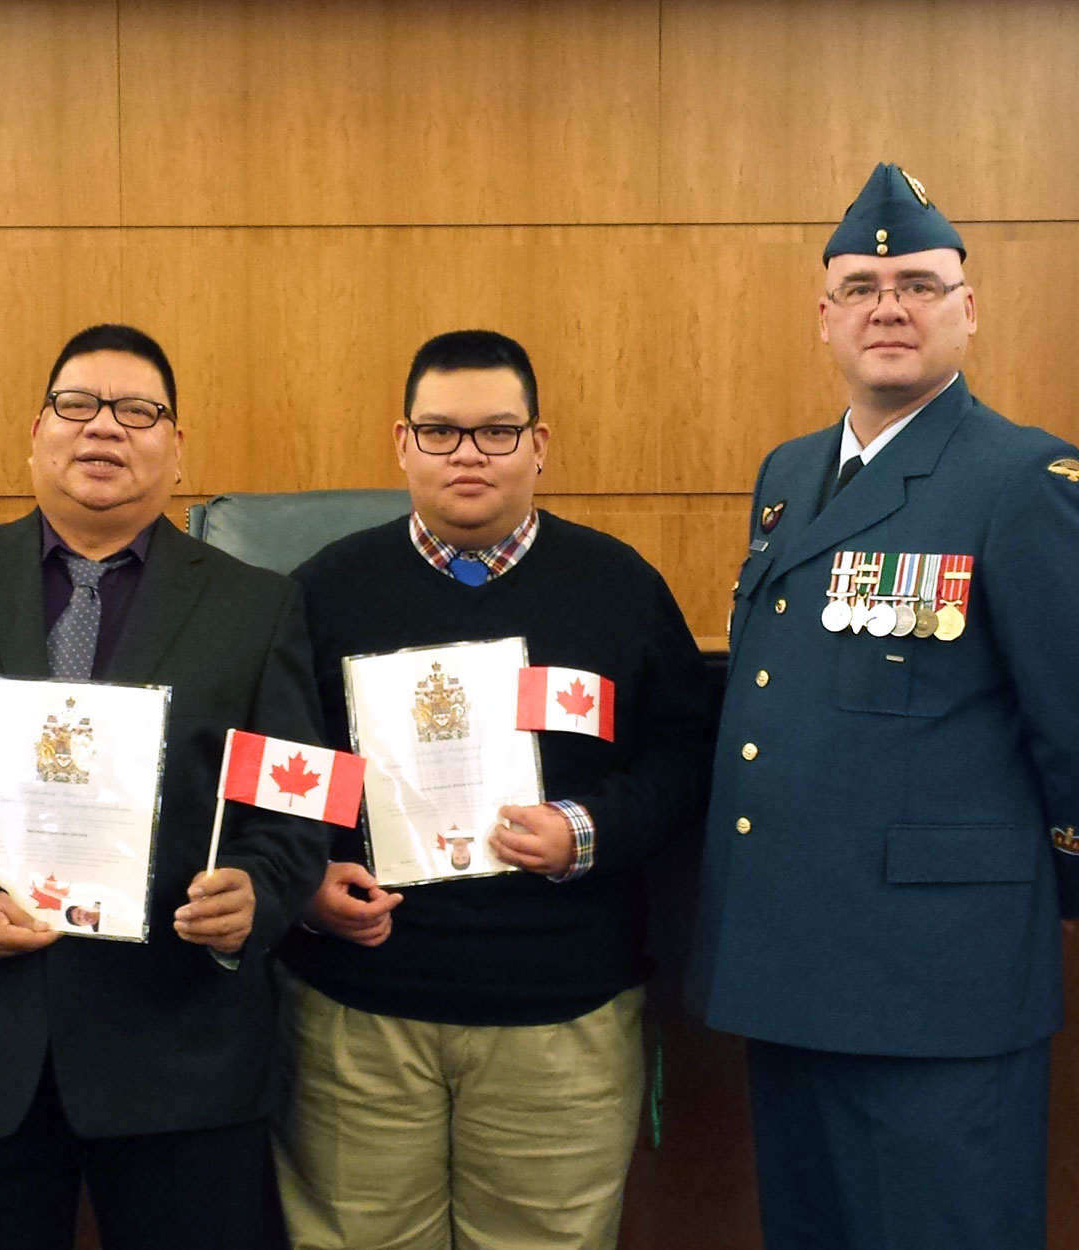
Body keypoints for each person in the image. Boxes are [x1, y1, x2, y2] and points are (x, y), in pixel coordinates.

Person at [687, 163, 1079, 1250]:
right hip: (791, 961)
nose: (886, 305)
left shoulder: (1026, 478)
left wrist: (1031, 880)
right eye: (859, 285)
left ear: (968, 309)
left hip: (940, 975)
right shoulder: (788, 473)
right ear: (823, 317)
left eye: (917, 283)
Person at [0, 323, 329, 1250]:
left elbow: (298, 803)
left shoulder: (258, 605)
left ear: (176, 449)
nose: (105, 428)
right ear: (36, 431)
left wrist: (257, 892)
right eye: (77, 405)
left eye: (138, 411)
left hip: (182, 1051)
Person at [277, 329, 717, 1250]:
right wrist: (306, 879)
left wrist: (588, 830)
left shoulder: (618, 586)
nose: (467, 454)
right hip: (359, 1016)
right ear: (402, 442)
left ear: (539, 445)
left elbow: (687, 758)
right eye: (440, 432)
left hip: (561, 1016)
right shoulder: (323, 591)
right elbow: (271, 766)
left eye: (495, 432)